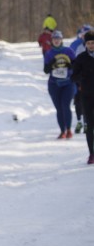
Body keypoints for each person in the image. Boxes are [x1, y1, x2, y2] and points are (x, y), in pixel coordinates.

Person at [43, 30, 77, 139]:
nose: (56, 41)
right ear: (52, 41)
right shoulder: (49, 53)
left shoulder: (69, 51)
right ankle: (62, 131)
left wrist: (69, 64)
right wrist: (52, 63)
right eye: (54, 39)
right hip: (54, 84)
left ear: (61, 40)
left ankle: (68, 130)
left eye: (58, 39)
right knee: (59, 108)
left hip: (68, 83)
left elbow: (76, 67)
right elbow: (46, 70)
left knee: (65, 106)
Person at [71, 30, 94, 164]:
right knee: (89, 126)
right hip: (86, 96)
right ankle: (91, 154)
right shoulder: (81, 58)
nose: (91, 45)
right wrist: (82, 78)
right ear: (85, 44)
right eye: (89, 43)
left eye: (93, 43)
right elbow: (73, 76)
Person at [70, 25, 92, 134]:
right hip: (80, 79)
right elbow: (71, 61)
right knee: (78, 101)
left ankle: (87, 122)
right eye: (83, 34)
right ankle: (80, 121)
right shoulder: (75, 44)